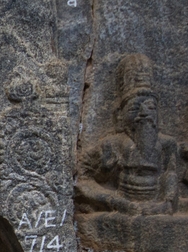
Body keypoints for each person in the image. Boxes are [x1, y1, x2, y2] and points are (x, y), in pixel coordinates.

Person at [76, 54, 179, 215]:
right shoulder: (112, 144)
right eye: (134, 108)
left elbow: (170, 174)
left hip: (157, 206)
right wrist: (111, 194)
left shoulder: (167, 144)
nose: (144, 114)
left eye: (150, 108)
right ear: (120, 116)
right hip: (121, 203)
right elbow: (82, 179)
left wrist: (168, 201)